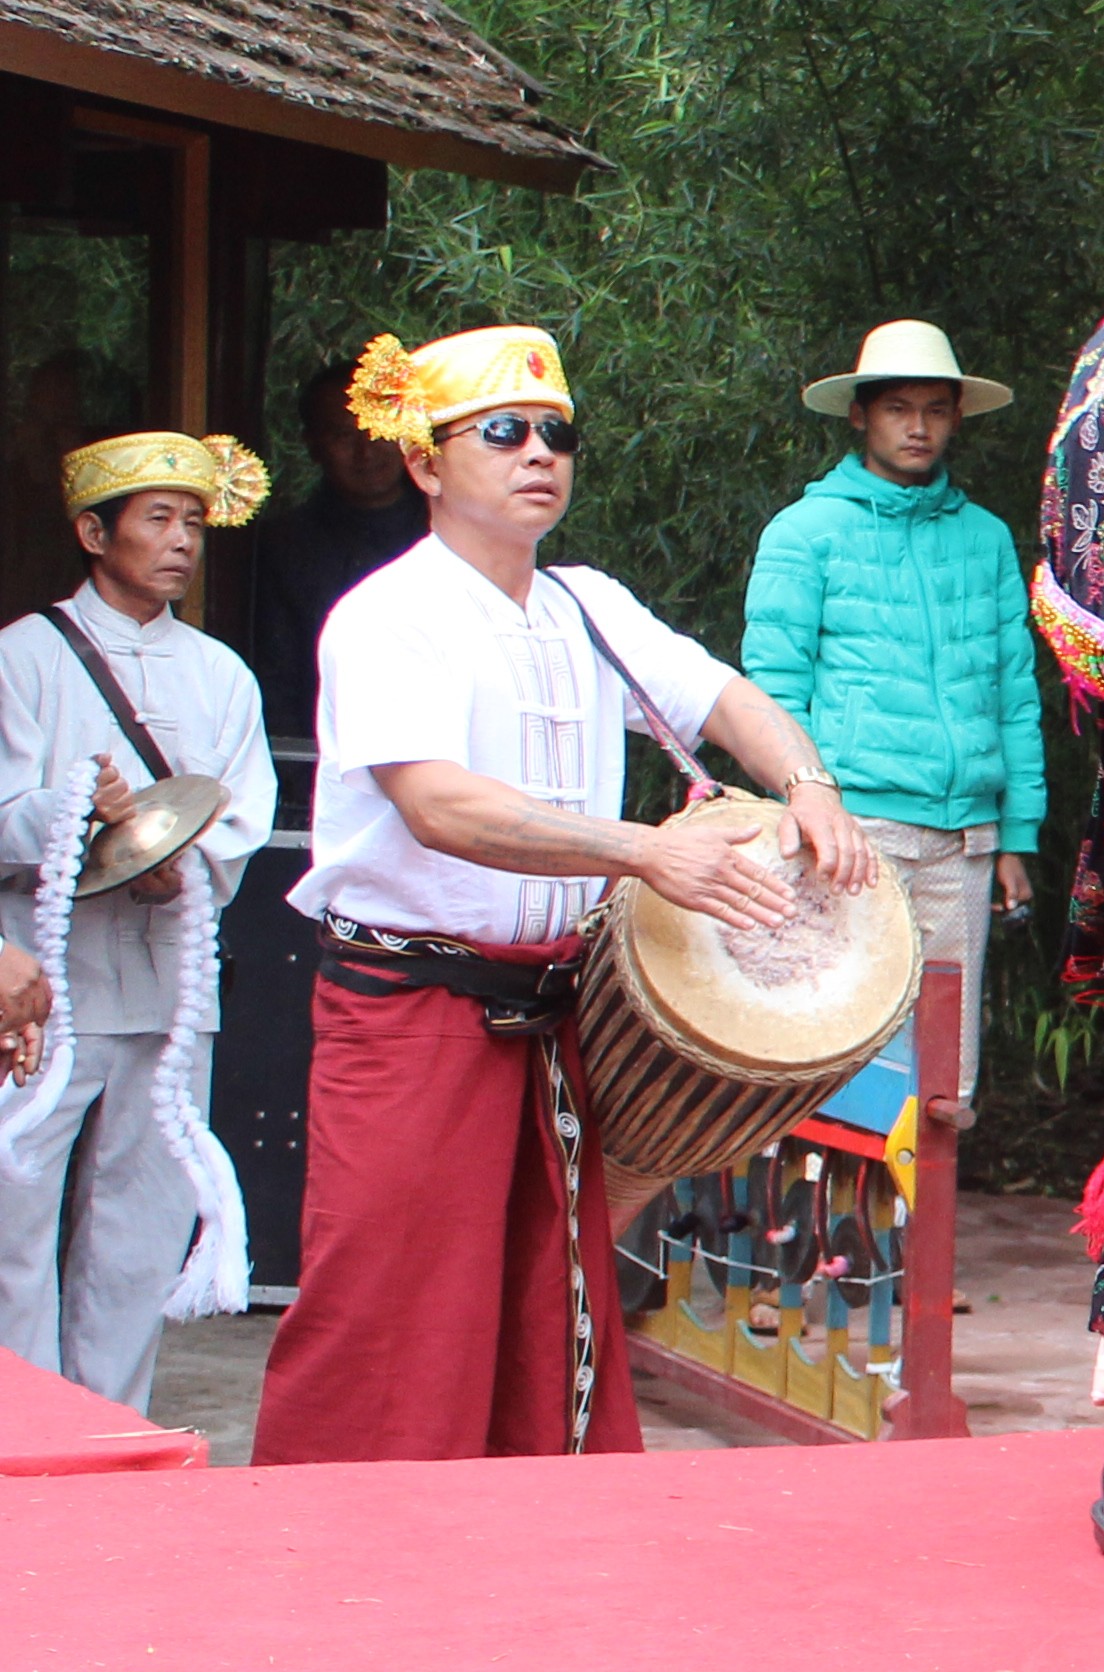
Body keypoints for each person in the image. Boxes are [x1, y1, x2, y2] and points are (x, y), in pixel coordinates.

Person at [253, 326, 873, 1463]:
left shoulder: (587, 602)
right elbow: (438, 805)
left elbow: (727, 696)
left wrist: (809, 784)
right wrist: (642, 852)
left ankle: (528, 1564)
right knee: (389, 1312)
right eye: (504, 431)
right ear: (426, 464)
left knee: (552, 1299)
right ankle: (334, 1573)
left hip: (557, 1010)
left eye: (558, 433)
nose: (539, 451)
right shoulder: (390, 615)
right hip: (411, 1010)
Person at [0, 432, 278, 1407]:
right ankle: (25, 1422)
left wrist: (180, 865)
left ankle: (112, 1424)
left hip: (168, 987)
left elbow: (242, 819)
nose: (180, 542)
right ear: (92, 530)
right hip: (41, 986)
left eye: (194, 521)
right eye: (157, 518)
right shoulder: (23, 658)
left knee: (140, 1227)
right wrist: (77, 809)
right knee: (12, 1216)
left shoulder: (221, 676)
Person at [739, 321, 1042, 1115]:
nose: (918, 427)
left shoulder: (985, 539)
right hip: (852, 828)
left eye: (936, 410)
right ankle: (835, 1240)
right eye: (899, 408)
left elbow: (1013, 687)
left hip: (967, 834)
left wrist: (1017, 835)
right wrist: (802, 805)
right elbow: (771, 692)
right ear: (860, 416)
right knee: (840, 1046)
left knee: (947, 1074)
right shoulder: (805, 533)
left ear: (955, 419)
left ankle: (924, 1240)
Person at [244, 348, 430, 707]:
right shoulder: (281, 548)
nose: (366, 451)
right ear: (313, 445)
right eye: (344, 436)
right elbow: (277, 677)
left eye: (377, 430)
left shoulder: (452, 534)